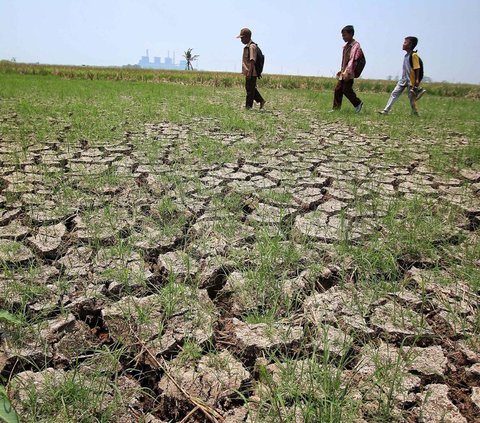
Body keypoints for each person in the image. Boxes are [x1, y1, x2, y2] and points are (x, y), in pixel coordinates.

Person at [378, 36, 426, 115]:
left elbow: (417, 68)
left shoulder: (414, 55)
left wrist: (417, 80)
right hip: (403, 80)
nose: (403, 44)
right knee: (394, 93)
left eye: (405, 43)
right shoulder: (406, 56)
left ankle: (415, 113)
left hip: (411, 80)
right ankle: (385, 111)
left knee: (411, 98)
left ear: (410, 45)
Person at [331, 25, 363, 113]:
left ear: (351, 34)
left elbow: (352, 59)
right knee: (338, 89)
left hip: (349, 72)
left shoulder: (355, 45)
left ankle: (358, 103)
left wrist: (347, 71)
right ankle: (336, 108)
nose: (343, 37)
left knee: (346, 89)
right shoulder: (346, 46)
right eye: (342, 35)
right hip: (344, 71)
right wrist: (342, 70)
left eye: (345, 35)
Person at [237, 27, 265, 110]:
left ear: (247, 37)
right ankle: (261, 100)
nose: (241, 40)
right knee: (250, 88)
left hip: (252, 72)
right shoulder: (248, 46)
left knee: (250, 90)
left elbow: (252, 60)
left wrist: (249, 72)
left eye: (242, 38)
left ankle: (248, 106)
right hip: (249, 72)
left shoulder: (252, 46)